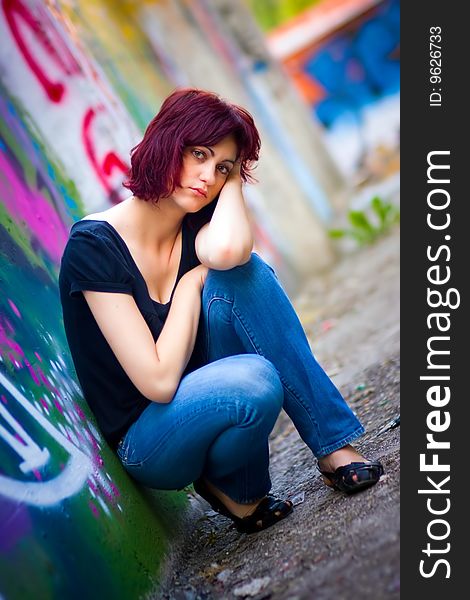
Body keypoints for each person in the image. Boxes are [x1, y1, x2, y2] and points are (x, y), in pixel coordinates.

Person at [59, 88, 383, 535]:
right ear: (166, 143)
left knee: (243, 274)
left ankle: (311, 459)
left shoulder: (199, 223)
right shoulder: (93, 247)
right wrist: (192, 284)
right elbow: (157, 381)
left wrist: (233, 177)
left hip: (212, 398)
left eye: (222, 168)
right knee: (254, 378)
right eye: (198, 154)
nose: (206, 176)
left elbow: (231, 252)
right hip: (150, 438)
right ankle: (236, 486)